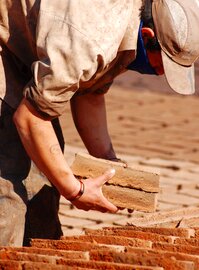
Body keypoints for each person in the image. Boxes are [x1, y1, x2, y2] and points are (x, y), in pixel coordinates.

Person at [0, 0, 199, 247]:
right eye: (165, 64)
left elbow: (90, 94)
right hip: (4, 39)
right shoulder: (93, 38)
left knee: (46, 167)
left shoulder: (126, 29)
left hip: (34, 40)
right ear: (147, 36)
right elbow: (29, 118)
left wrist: (110, 165)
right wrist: (77, 192)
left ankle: (35, 262)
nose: (162, 74)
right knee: (12, 168)